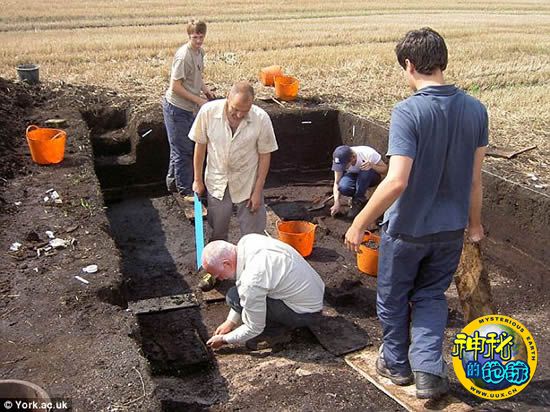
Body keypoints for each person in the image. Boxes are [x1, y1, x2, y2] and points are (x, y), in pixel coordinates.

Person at [344, 27, 488, 399]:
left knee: (393, 297)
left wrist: (359, 222)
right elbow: (475, 180)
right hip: (450, 230)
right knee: (430, 296)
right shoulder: (476, 109)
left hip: (407, 229)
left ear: (409, 65)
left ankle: (396, 364)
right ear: (442, 61)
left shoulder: (408, 112)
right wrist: (474, 225)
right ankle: (427, 372)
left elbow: (396, 181)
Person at [190, 81, 278, 241]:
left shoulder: (261, 119)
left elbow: (265, 155)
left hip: (247, 182)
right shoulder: (208, 112)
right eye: (235, 109)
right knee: (217, 235)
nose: (239, 115)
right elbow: (200, 145)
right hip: (217, 182)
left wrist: (257, 191)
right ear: (227, 98)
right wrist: (197, 180)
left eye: (245, 111)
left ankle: (251, 257)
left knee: (254, 238)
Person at [203, 234, 325, 350]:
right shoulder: (248, 241)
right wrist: (230, 322)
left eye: (217, 274)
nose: (219, 279)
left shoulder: (251, 280)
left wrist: (224, 339)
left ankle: (274, 332)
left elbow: (254, 327)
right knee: (235, 294)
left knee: (234, 297)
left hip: (305, 314)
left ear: (226, 264)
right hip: (314, 293)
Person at [163, 19, 214, 197]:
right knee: (183, 150)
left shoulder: (199, 52)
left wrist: (206, 91)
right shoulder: (183, 57)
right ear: (189, 36)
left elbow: (197, 76)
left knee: (178, 147)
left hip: (188, 108)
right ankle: (186, 192)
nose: (198, 40)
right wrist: (198, 100)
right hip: (176, 109)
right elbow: (175, 87)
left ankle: (172, 184)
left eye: (201, 37)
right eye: (195, 37)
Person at [330, 145, 387, 218]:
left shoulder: (369, 154)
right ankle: (358, 199)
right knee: (343, 186)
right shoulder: (340, 160)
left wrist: (372, 166)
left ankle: (358, 200)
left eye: (345, 165)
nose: (342, 168)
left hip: (371, 176)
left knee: (365, 172)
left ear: (353, 157)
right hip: (353, 175)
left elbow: (384, 170)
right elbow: (337, 182)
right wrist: (336, 202)